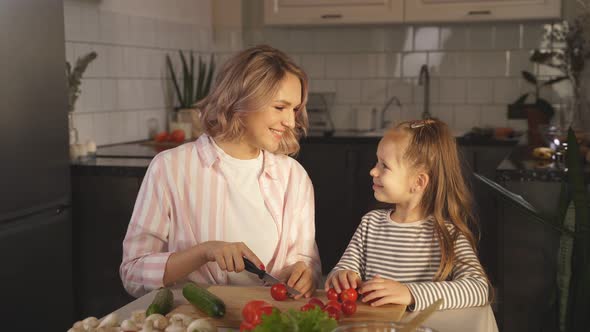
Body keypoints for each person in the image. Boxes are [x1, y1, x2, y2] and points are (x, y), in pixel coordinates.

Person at [120, 45, 321, 299]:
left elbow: (308, 262)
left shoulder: (295, 177)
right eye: (280, 107)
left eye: (294, 110)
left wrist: (304, 274)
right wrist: (204, 252)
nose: (291, 122)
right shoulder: (170, 169)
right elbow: (132, 273)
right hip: (193, 323)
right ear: (243, 100)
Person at [325, 118, 491, 311]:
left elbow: (479, 289)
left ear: (418, 182)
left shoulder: (448, 235)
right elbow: (344, 268)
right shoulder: (370, 224)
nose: (373, 171)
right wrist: (342, 275)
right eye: (376, 162)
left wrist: (410, 293)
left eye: (384, 166)